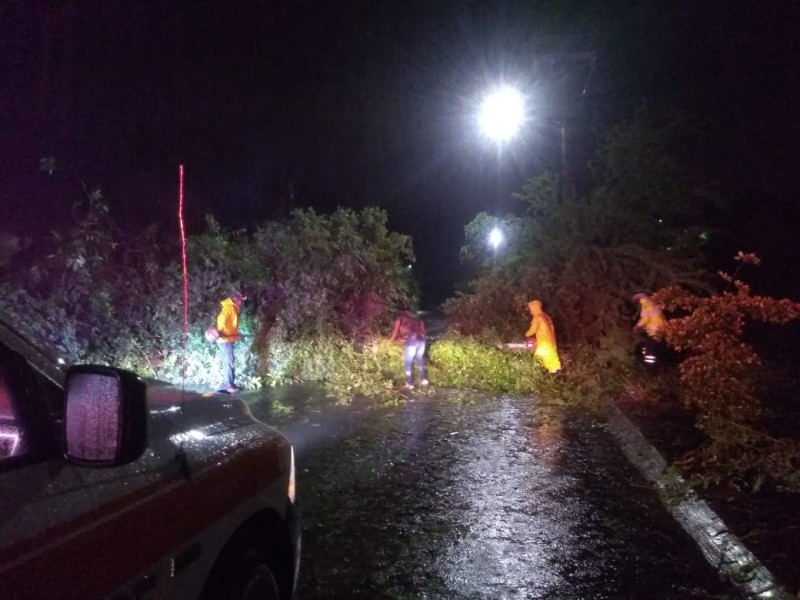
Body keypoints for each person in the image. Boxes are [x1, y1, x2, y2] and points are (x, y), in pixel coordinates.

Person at [389, 306, 428, 389]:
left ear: (402, 312)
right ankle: (424, 379)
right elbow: (423, 333)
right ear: (409, 312)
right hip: (421, 340)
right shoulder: (417, 320)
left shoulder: (400, 319)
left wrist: (390, 342)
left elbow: (395, 332)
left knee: (408, 361)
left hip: (411, 341)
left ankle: (410, 383)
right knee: (419, 358)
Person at [216, 292, 246, 393]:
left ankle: (231, 384)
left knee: (230, 361)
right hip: (224, 340)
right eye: (240, 300)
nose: (241, 303)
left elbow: (230, 325)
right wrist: (220, 333)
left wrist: (236, 335)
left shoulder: (232, 308)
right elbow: (221, 319)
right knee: (228, 361)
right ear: (236, 300)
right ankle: (228, 385)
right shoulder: (230, 307)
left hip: (228, 339)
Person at [525, 299, 562, 374]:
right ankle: (558, 376)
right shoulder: (546, 317)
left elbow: (533, 330)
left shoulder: (538, 318)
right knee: (553, 360)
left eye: (530, 309)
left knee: (538, 359)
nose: (530, 311)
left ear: (534, 308)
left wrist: (526, 334)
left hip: (544, 343)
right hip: (551, 342)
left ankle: (538, 375)